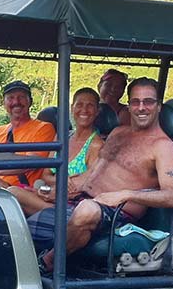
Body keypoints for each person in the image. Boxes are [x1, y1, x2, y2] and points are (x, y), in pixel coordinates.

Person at [36, 77, 173, 271]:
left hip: (114, 212)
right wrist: (60, 189)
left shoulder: (163, 147)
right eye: (135, 102)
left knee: (87, 210)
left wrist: (126, 194)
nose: (141, 107)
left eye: (148, 102)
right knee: (15, 198)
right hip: (80, 199)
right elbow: (94, 172)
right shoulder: (117, 133)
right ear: (128, 106)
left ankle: (47, 263)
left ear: (158, 107)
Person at [10, 88, 105, 216]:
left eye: (90, 106)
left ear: (97, 111)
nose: (84, 110)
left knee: (14, 195)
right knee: (11, 192)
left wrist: (58, 187)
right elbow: (45, 175)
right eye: (79, 105)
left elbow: (88, 185)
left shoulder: (96, 145)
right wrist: (61, 181)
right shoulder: (62, 137)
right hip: (50, 196)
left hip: (73, 205)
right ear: (72, 108)